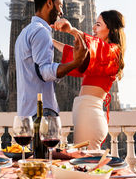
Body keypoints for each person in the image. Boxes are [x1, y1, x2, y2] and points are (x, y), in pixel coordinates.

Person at [52, 10, 126, 150]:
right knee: (86, 165)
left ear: (110, 29)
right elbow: (76, 55)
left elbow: (94, 46)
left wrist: (72, 30)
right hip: (86, 116)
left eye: (98, 24)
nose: (93, 28)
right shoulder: (102, 55)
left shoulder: (112, 52)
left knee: (87, 166)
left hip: (89, 117)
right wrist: (51, 42)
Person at [15, 0, 88, 117]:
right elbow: (44, 72)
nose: (61, 12)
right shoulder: (41, 31)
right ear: (49, 3)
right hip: (42, 112)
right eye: (59, 5)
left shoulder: (23, 34)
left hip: (26, 112)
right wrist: (75, 62)